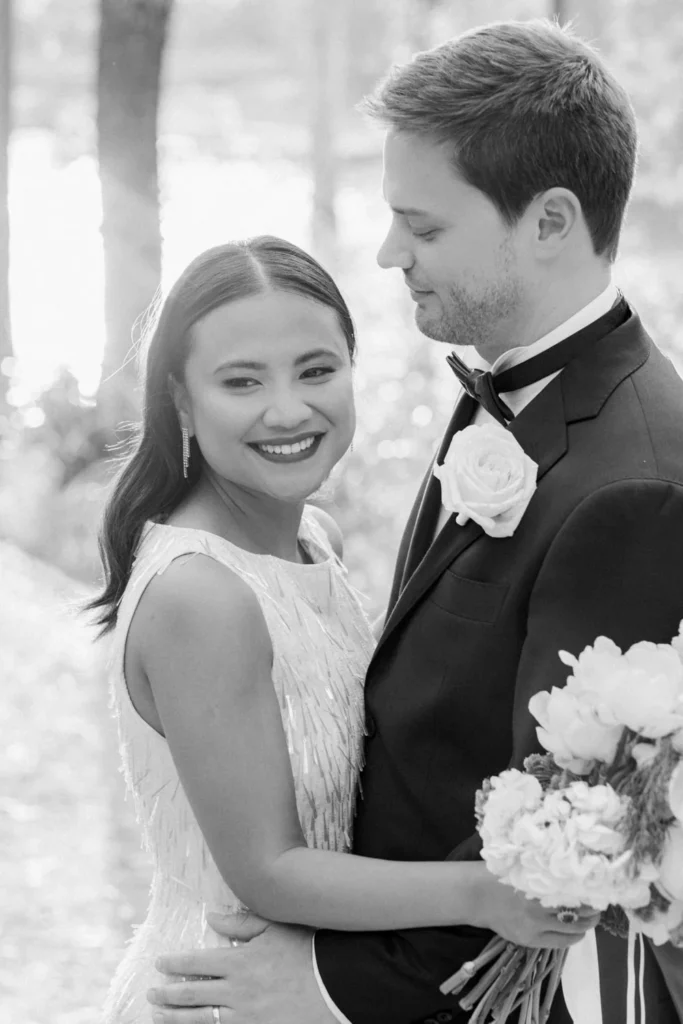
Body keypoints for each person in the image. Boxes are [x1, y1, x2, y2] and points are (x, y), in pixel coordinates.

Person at [146, 19, 683, 1024]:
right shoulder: (510, 382)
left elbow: (560, 847)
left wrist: (323, 985)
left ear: (550, 221)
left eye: (424, 227)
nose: (390, 251)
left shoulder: (631, 487)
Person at [91, 236, 590, 1024]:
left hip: (319, 979)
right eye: (241, 381)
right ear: (181, 401)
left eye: (316, 369)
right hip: (231, 990)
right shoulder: (202, 597)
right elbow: (269, 870)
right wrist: (485, 893)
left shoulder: (311, 538)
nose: (288, 409)